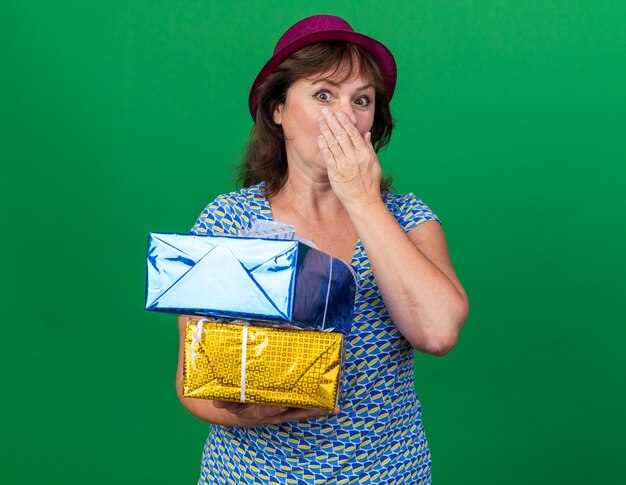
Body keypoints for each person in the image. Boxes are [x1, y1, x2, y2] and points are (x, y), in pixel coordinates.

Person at [176, 14, 468, 484]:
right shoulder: (227, 220)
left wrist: (361, 199)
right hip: (249, 475)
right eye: (323, 94)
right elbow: (194, 385)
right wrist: (255, 410)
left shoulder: (409, 218)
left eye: (362, 100)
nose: (345, 116)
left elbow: (436, 333)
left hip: (388, 474)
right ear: (278, 109)